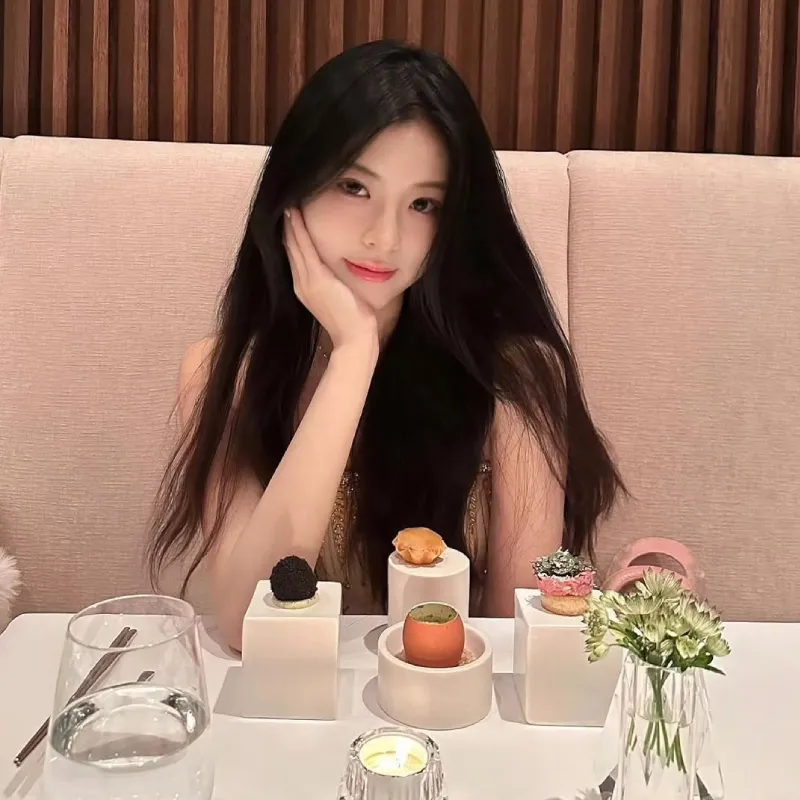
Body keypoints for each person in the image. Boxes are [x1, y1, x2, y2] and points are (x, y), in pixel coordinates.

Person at [147, 39, 625, 650]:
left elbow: (513, 636)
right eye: (354, 186)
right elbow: (248, 622)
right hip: (292, 696)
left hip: (454, 695)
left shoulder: (515, 373)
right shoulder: (224, 371)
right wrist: (353, 356)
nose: (385, 237)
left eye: (423, 203)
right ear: (292, 191)